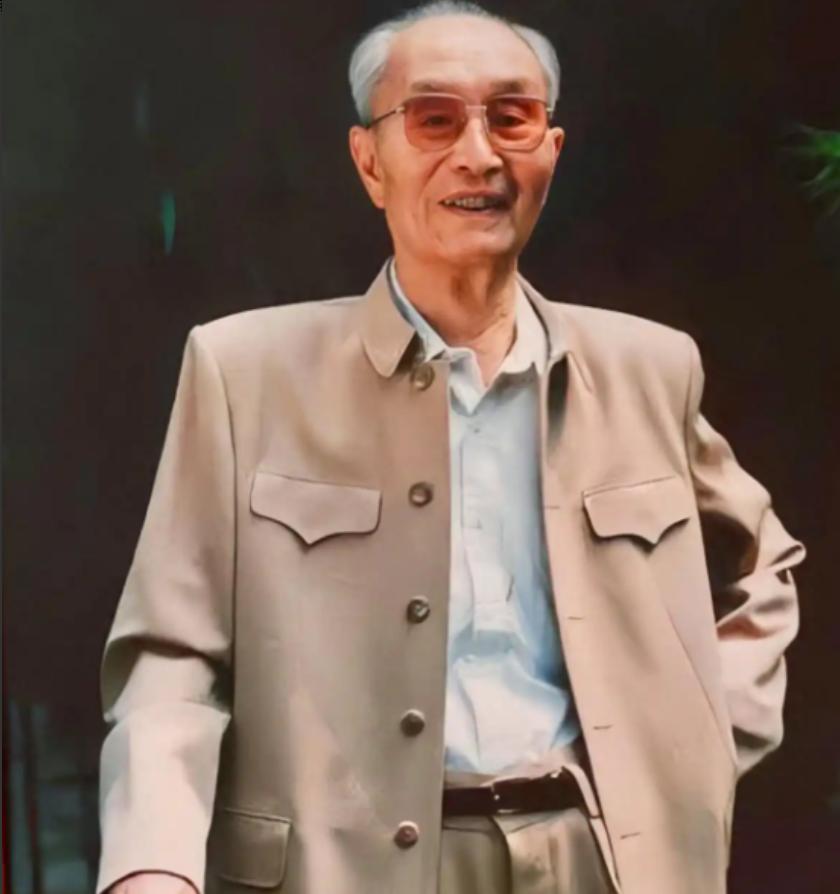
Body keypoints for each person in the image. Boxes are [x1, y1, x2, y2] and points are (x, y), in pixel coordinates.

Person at [97, 3, 805, 893]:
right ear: (370, 162)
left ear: (551, 150)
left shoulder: (650, 369)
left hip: (602, 859)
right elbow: (171, 658)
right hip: (339, 871)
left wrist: (695, 746)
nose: (478, 154)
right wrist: (152, 864)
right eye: (433, 119)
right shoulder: (244, 373)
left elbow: (763, 572)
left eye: (512, 117)